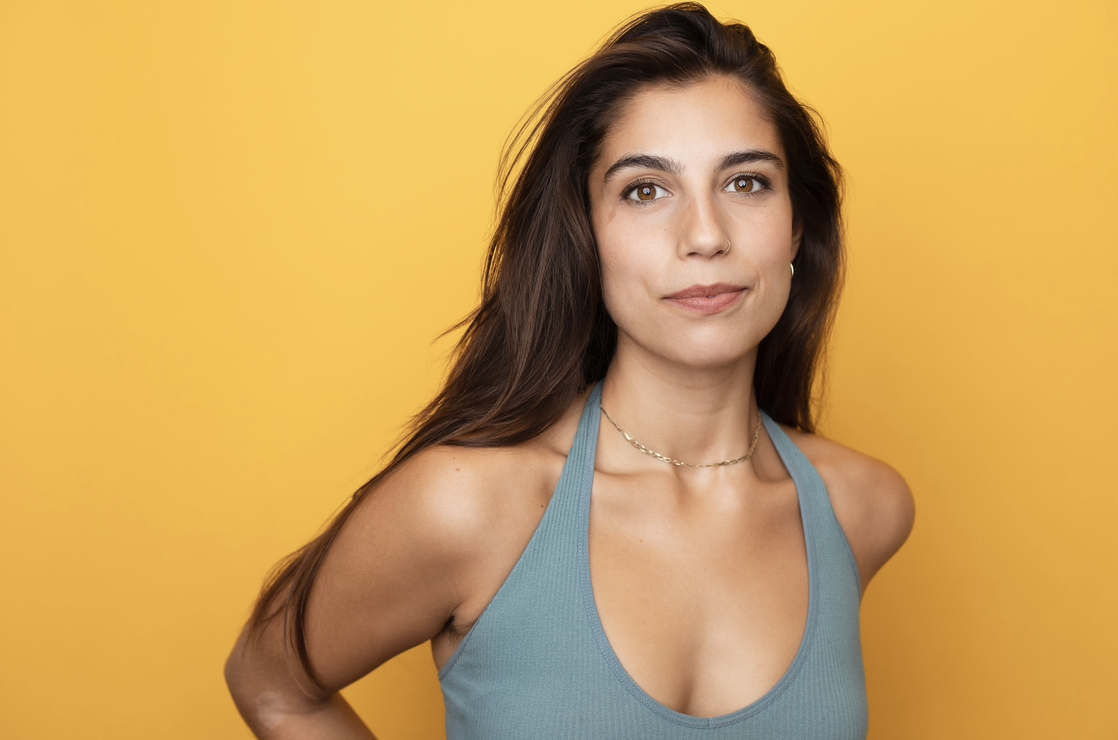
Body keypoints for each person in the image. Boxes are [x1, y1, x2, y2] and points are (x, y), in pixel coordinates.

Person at [224, 3, 915, 738]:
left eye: (746, 183)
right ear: (586, 235)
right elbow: (271, 683)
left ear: (797, 227)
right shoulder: (472, 507)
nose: (706, 235)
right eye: (645, 190)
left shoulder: (862, 509)